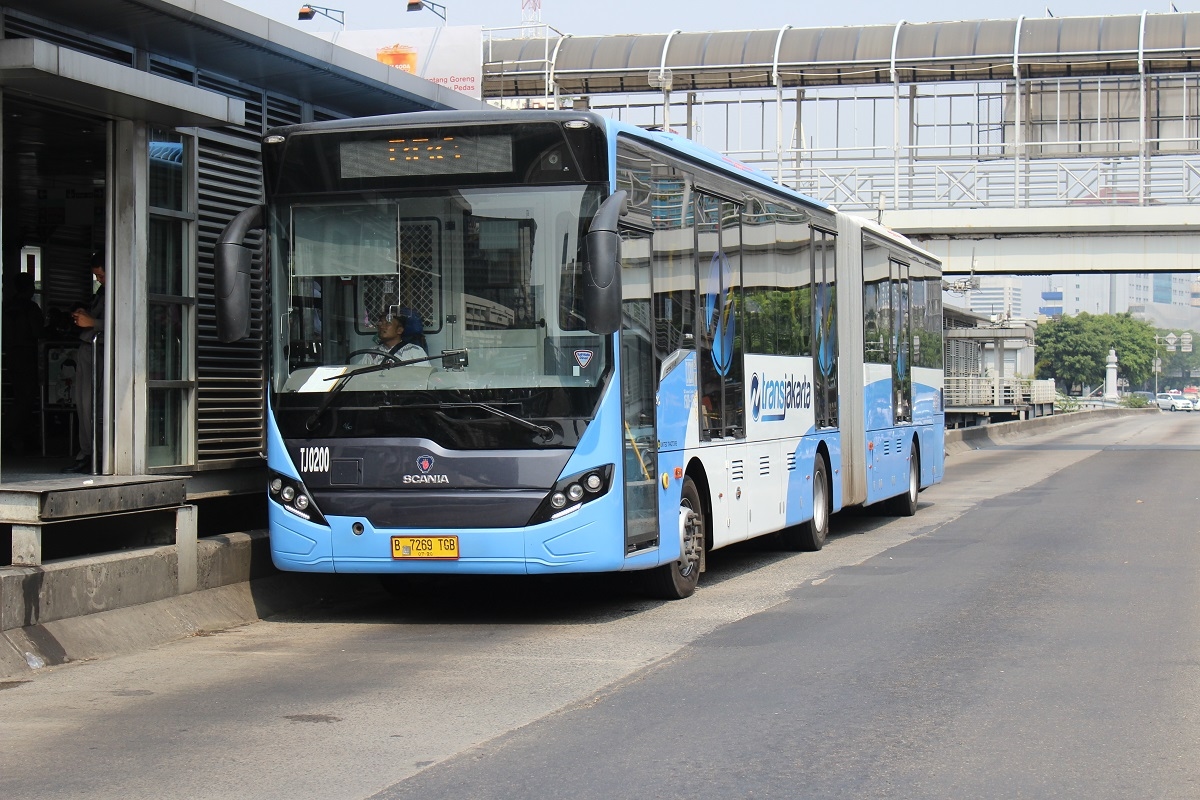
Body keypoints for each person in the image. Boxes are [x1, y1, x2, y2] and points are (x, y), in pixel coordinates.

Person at [63, 251, 105, 473]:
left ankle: (95, 453)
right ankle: (87, 451)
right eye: (96, 276)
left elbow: (121, 321)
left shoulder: (121, 289)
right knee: (83, 404)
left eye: (101, 275)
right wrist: (85, 314)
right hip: (88, 348)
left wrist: (93, 322)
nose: (99, 280)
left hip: (102, 350)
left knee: (94, 406)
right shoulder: (102, 292)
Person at [352, 307, 428, 366]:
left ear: (399, 330)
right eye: (381, 323)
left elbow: (423, 377)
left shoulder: (414, 351)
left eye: (388, 323)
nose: (381, 326)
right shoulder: (371, 353)